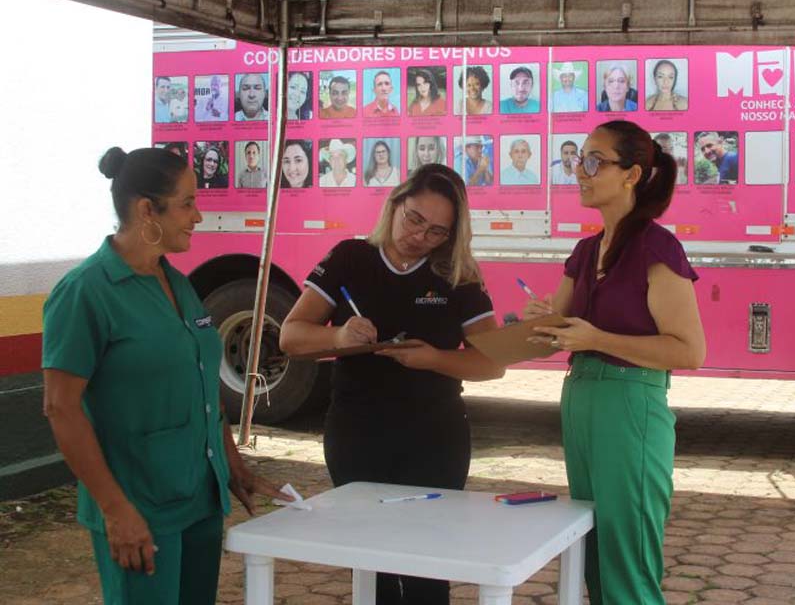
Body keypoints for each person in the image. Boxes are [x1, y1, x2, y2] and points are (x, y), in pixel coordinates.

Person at [42, 147, 291, 605]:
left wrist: (232, 464)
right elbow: (60, 406)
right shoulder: (85, 292)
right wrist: (115, 510)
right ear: (145, 210)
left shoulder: (175, 282)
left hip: (199, 497)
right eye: (187, 203)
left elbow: (201, 384)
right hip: (139, 505)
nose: (198, 216)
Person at [279, 164, 505, 605]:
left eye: (437, 231)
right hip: (357, 432)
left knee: (428, 567)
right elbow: (290, 337)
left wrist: (434, 359)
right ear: (396, 203)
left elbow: (492, 365)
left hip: (434, 439)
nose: (419, 236)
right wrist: (338, 336)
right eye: (414, 219)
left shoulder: (457, 274)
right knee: (372, 563)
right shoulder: (350, 257)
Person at [523, 120, 706, 604]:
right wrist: (541, 321)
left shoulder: (657, 246)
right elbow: (557, 332)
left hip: (631, 404)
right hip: (581, 396)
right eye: (576, 160)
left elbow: (689, 350)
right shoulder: (585, 250)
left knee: (627, 562)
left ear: (632, 174)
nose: (579, 172)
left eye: (593, 161)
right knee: (595, 554)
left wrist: (596, 336)